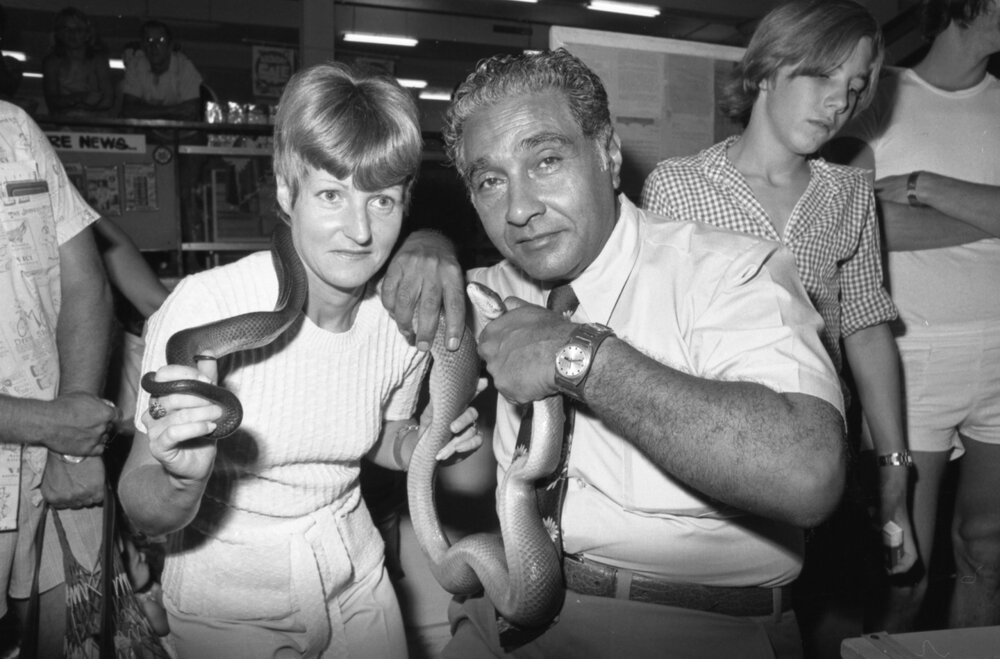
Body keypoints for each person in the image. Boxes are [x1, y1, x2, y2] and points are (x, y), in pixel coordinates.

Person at [432, 48, 846, 659]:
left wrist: (583, 357)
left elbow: (809, 473)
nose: (519, 209)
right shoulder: (495, 287)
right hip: (503, 607)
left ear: (609, 153)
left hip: (683, 625)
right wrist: (426, 242)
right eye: (491, 180)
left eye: (546, 160)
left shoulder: (726, 273)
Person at [117, 62, 483, 659]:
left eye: (382, 200)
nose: (359, 231)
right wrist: (183, 482)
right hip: (228, 603)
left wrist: (419, 445)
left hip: (357, 581)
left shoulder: (401, 318)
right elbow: (142, 501)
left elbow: (378, 439)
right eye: (332, 194)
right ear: (288, 194)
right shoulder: (210, 306)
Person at [640, 1, 914, 651]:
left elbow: (866, 324)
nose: (838, 103)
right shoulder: (678, 188)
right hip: (715, 443)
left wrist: (896, 460)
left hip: (822, 448)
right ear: (767, 70)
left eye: (854, 88)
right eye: (823, 78)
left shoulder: (847, 193)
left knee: (830, 623)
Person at [830, 0, 1000, 632]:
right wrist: (990, 216)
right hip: (911, 356)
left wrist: (921, 183)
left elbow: (892, 213)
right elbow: (856, 225)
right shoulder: (877, 91)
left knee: (988, 549)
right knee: (902, 573)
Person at [0, 100, 119, 657]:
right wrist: (48, 423)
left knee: (30, 638)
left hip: (36, 481)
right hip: (38, 437)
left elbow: (85, 283)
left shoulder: (14, 129)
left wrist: (70, 429)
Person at [121, 20, 203, 121]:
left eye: (161, 40)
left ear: (170, 46)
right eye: (149, 40)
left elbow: (191, 112)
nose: (154, 46)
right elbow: (129, 110)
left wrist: (145, 111)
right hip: (145, 133)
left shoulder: (185, 67)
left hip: (181, 134)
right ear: (142, 46)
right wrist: (173, 110)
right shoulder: (135, 65)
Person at [42, 6, 114, 117]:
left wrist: (83, 108)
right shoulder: (52, 62)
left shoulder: (99, 60)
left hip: (96, 125)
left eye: (78, 29)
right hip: (63, 126)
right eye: (66, 29)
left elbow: (108, 100)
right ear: (58, 33)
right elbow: (52, 101)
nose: (72, 34)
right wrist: (79, 98)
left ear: (88, 34)